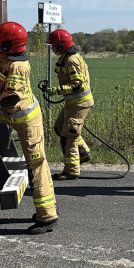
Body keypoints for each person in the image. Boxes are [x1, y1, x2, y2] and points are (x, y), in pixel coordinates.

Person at [0, 22, 58, 234]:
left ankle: (47, 217)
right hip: (18, 120)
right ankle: (45, 212)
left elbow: (10, 99)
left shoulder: (17, 66)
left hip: (27, 121)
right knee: (36, 165)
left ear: (9, 45)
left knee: (37, 165)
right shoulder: (8, 58)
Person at [40, 29, 94, 181]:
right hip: (72, 103)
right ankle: (83, 153)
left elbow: (78, 85)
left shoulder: (71, 60)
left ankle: (71, 171)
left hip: (79, 103)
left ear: (61, 45)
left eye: (54, 45)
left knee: (69, 137)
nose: (52, 48)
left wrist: (57, 90)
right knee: (59, 127)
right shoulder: (65, 58)